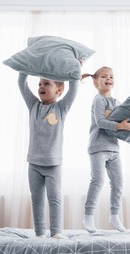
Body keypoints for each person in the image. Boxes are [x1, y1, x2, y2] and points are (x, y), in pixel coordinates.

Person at [18, 72, 79, 239]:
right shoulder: (33, 106)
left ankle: (56, 232)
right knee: (36, 200)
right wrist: (26, 66)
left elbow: (74, 88)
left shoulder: (61, 108)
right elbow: (21, 83)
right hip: (34, 163)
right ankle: (39, 233)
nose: (41, 87)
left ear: (59, 91)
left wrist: (75, 69)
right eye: (39, 84)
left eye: (46, 84)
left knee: (55, 199)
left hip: (53, 164)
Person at [81, 66, 130, 233]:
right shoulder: (98, 100)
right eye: (104, 76)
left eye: (111, 76)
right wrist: (119, 125)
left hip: (114, 148)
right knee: (98, 180)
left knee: (118, 183)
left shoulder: (117, 102)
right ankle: (88, 216)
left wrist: (126, 126)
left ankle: (114, 215)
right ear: (95, 83)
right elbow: (100, 122)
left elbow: (123, 124)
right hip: (98, 146)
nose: (108, 79)